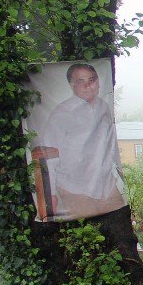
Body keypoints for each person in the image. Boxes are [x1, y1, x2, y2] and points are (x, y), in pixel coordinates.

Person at [38, 63, 125, 219]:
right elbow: (48, 156)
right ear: (72, 85)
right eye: (80, 81)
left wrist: (120, 169)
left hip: (107, 186)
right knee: (89, 236)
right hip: (76, 189)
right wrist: (50, 194)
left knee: (120, 227)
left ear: (98, 82)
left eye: (91, 80)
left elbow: (111, 144)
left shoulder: (104, 107)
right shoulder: (61, 114)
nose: (87, 86)